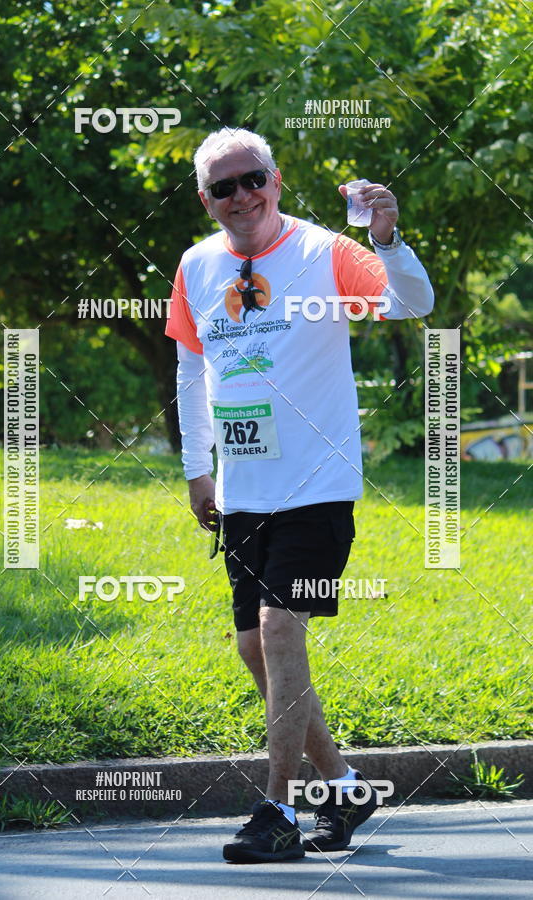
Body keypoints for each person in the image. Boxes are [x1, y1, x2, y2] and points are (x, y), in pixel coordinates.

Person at [165, 127, 434, 864]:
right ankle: (345, 787)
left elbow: (412, 302)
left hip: (318, 484)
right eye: (224, 187)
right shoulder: (195, 266)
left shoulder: (325, 252)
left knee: (282, 633)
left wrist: (388, 239)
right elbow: (193, 373)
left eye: (252, 178)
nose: (241, 195)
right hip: (243, 490)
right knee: (258, 649)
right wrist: (198, 470)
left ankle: (278, 810)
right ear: (207, 199)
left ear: (276, 180)